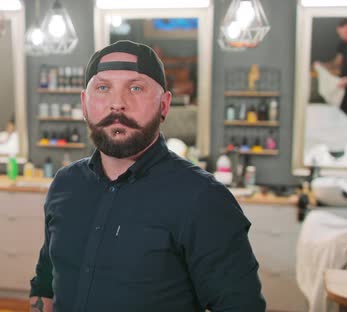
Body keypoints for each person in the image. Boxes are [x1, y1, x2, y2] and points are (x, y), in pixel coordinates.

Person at [29, 40, 265, 312]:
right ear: (84, 103)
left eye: (136, 88)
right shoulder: (65, 185)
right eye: (103, 88)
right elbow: (45, 281)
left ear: (164, 105)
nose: (117, 104)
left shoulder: (203, 199)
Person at [318, 18, 347, 116]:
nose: (342, 36)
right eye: (340, 34)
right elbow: (336, 63)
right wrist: (323, 66)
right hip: (345, 89)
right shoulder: (343, 44)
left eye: (345, 33)